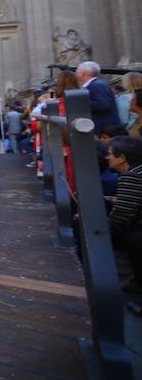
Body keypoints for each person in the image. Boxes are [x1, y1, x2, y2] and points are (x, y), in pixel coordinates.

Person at [105, 136, 142, 291]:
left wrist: (105, 226)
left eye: (110, 153)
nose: (107, 157)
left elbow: (123, 212)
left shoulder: (130, 176)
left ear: (121, 158)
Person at [75, 61, 120, 135]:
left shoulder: (97, 85)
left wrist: (79, 103)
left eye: (77, 72)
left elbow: (103, 104)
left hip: (104, 129)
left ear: (83, 73)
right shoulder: (95, 84)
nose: (75, 74)